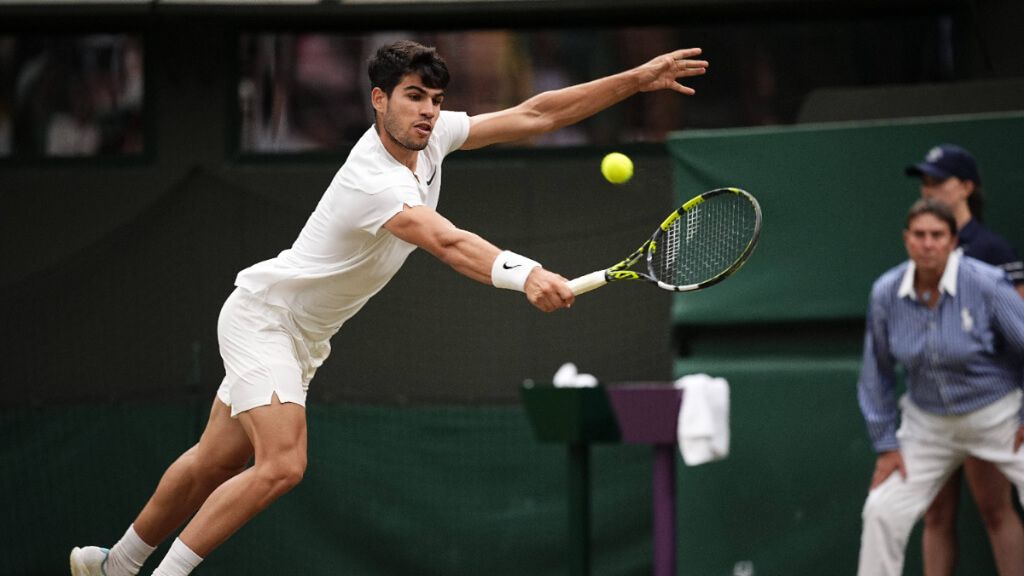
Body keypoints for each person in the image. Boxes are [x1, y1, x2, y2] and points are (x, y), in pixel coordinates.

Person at [68, 40, 709, 576]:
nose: (429, 112)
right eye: (413, 97)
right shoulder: (372, 177)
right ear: (379, 100)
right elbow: (445, 241)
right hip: (265, 319)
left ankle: (115, 566)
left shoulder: (432, 141)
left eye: (435, 100)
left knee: (217, 459)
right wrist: (527, 273)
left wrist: (638, 78)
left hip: (304, 336)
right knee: (283, 464)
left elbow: (537, 113)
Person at [856, 198, 1024, 576]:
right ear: (906, 240)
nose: (928, 243)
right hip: (927, 425)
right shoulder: (885, 292)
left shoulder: (986, 283)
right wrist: (886, 444)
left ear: (953, 241)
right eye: (919, 235)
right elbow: (875, 371)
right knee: (882, 509)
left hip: (999, 416)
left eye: (937, 235)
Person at [905, 144, 1024, 576]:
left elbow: (1018, 333)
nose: (929, 189)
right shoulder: (921, 249)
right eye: (926, 181)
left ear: (967, 187)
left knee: (995, 510)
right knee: (934, 516)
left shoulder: (992, 249)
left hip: (984, 402)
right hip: (930, 407)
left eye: (940, 180)